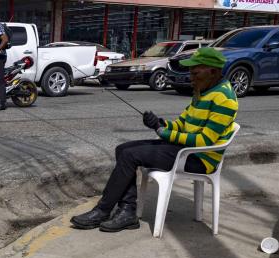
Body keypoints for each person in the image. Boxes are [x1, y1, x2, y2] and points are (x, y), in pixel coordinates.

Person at [70, 47, 238, 232]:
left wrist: (163, 133)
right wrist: (159, 123)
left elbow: (205, 141)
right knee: (122, 149)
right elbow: (182, 124)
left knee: (130, 156)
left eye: (195, 72)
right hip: (182, 150)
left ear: (212, 71)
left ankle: (103, 210)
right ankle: (126, 211)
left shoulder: (224, 98)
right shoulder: (204, 91)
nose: (191, 76)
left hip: (198, 159)